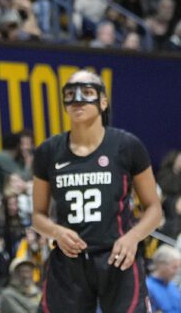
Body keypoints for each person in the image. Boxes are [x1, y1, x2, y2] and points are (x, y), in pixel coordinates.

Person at [31, 70, 162, 313]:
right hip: (68, 262)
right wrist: (56, 231)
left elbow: (154, 210)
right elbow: (37, 215)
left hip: (118, 257)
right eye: (70, 94)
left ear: (103, 101)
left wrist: (133, 237)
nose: (78, 100)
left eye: (87, 93)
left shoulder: (127, 146)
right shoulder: (48, 151)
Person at [146, 246, 181, 313]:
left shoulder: (173, 287)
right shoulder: (147, 287)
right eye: (174, 267)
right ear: (162, 264)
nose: (176, 272)